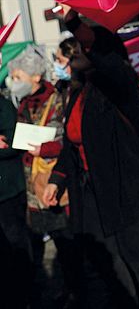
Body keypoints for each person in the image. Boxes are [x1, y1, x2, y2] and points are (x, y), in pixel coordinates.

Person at [43, 8, 139, 309]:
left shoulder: (118, 86)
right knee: (112, 263)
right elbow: (73, 145)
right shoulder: (78, 92)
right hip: (95, 192)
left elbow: (103, 57)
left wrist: (73, 22)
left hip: (129, 187)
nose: (74, 57)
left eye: (83, 50)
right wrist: (57, 180)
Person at [8, 46, 78, 306]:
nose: (13, 82)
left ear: (35, 77)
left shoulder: (57, 98)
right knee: (37, 238)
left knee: (64, 240)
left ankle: (75, 290)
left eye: (17, 77)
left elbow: (65, 140)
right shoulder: (25, 102)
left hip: (52, 180)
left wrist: (44, 148)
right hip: (32, 183)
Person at [0, 83, 32, 309]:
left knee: (14, 245)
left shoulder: (3, 107)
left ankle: (23, 296)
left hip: (8, 191)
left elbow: (15, 142)